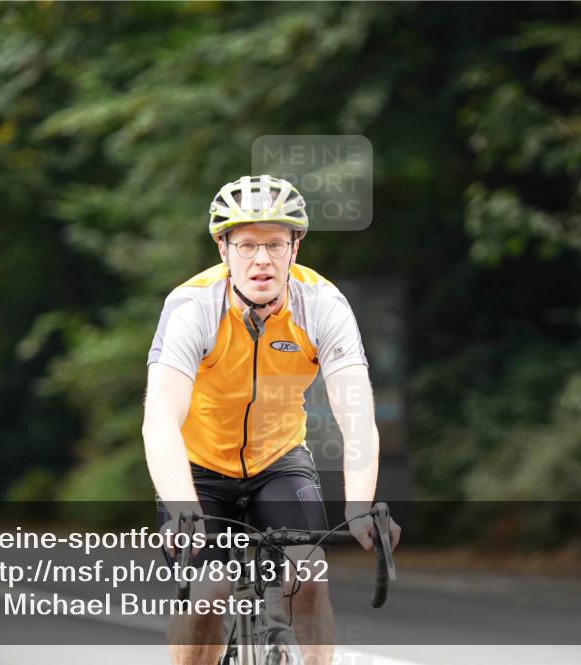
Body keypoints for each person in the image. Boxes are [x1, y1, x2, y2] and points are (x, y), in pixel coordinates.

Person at [144, 174, 401, 665]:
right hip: (198, 467)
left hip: (279, 461)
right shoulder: (192, 307)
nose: (261, 259)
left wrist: (359, 504)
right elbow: (159, 418)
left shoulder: (323, 305)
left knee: (309, 573)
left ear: (295, 247)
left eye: (275, 244)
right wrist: (182, 506)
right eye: (246, 245)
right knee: (209, 592)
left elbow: (357, 415)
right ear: (223, 249)